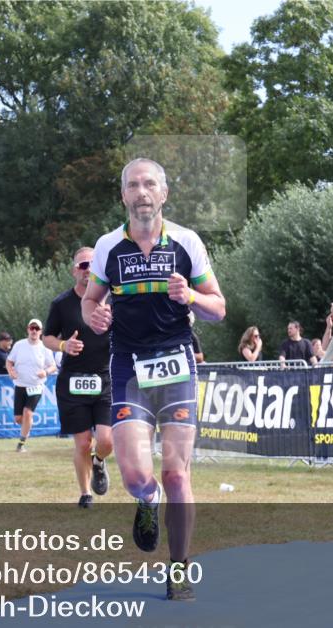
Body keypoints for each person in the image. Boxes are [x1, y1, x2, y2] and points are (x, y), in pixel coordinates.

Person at [83, 157, 225, 602]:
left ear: (163, 194)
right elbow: (90, 304)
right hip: (128, 368)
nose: (141, 192)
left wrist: (192, 296)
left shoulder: (187, 242)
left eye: (149, 185)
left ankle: (180, 568)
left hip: (177, 364)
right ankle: (146, 501)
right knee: (136, 474)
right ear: (123, 195)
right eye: (133, 185)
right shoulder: (108, 247)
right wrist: (97, 317)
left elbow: (219, 309)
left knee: (177, 474)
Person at [43, 246, 114, 509]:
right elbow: (48, 336)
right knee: (83, 442)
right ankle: (85, 494)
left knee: (106, 441)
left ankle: (99, 462)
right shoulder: (61, 304)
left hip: (105, 378)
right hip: (73, 381)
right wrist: (63, 347)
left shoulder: (114, 300)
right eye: (83, 265)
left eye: (93, 265)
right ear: (75, 271)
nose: (88, 270)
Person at [6, 318, 57, 452]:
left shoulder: (45, 347)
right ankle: (26, 427)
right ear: (28, 329)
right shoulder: (19, 345)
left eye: (37, 329)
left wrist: (45, 372)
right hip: (20, 385)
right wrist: (10, 371)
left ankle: (21, 444)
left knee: (28, 413)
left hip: (36, 386)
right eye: (32, 328)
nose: (34, 331)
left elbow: (53, 366)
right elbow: (9, 361)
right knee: (18, 418)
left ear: (40, 331)